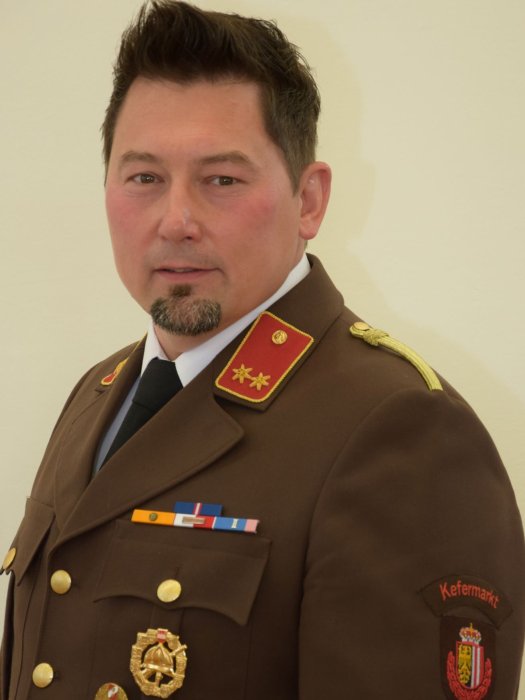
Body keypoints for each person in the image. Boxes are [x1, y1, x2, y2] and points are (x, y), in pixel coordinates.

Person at [1, 2, 524, 698]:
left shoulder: (399, 431)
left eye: (221, 179)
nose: (175, 220)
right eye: (144, 177)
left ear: (309, 200)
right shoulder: (99, 394)